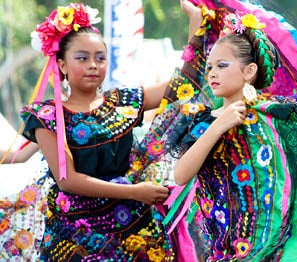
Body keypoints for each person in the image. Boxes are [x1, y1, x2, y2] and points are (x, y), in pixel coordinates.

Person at [140, 1, 297, 261]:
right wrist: (220, 124)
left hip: (276, 248)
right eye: (209, 67)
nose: (212, 73)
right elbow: (182, 174)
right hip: (222, 251)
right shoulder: (201, 119)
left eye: (222, 65)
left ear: (249, 71)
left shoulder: (276, 113)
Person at [0, 2, 203, 261]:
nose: (93, 65)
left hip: (133, 228)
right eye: (82, 58)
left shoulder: (123, 101)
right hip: (76, 237)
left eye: (100, 57)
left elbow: (185, 85)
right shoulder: (48, 116)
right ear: (61, 65)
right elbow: (67, 180)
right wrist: (134, 191)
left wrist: (195, 21)